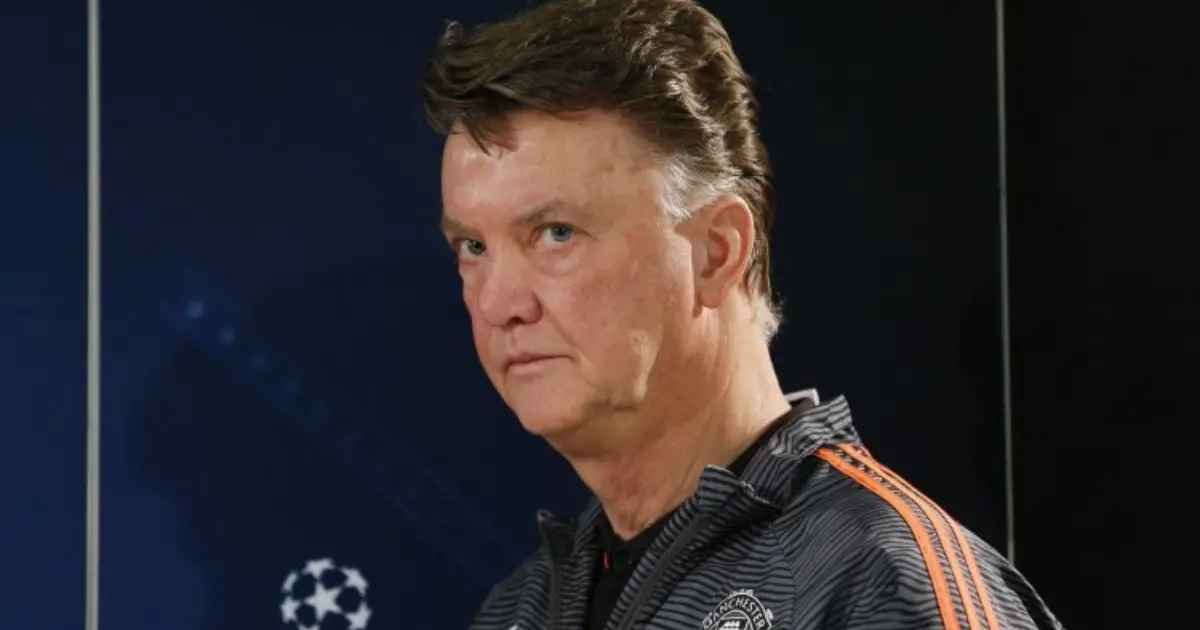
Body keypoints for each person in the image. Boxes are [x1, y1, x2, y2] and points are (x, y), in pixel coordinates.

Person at [422, 0, 1063, 628]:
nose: (498, 303)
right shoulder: (519, 610)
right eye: (473, 247)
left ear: (718, 253)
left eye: (556, 233)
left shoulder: (883, 584)